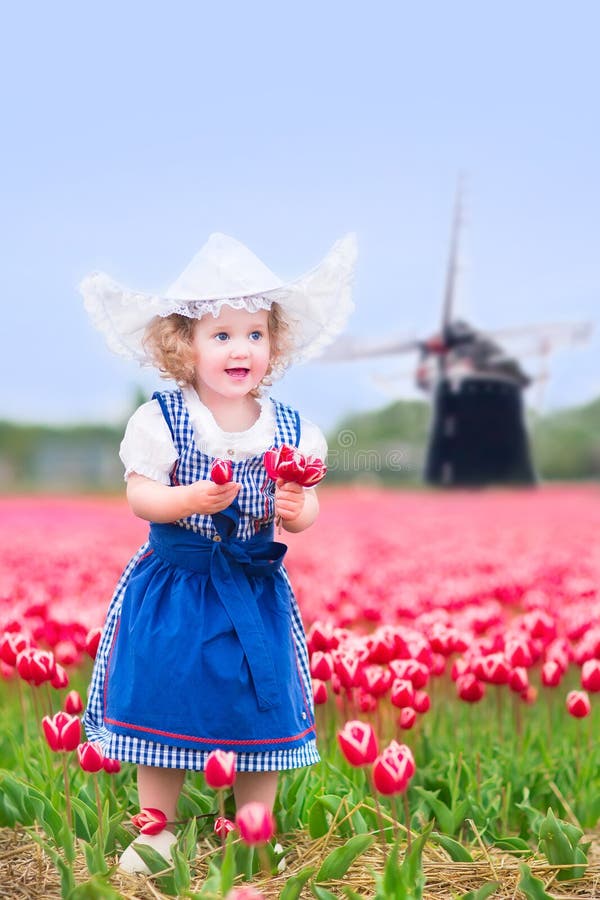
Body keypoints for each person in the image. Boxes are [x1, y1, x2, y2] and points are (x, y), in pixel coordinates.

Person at [79, 232, 356, 872]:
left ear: (273, 345)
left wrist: (297, 510)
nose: (241, 348)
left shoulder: (292, 429)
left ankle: (253, 827)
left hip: (253, 588)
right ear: (186, 347)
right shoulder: (161, 420)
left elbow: (308, 506)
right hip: (177, 581)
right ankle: (157, 830)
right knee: (164, 692)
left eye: (255, 335)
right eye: (222, 335)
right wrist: (187, 500)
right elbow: (140, 497)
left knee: (261, 701)